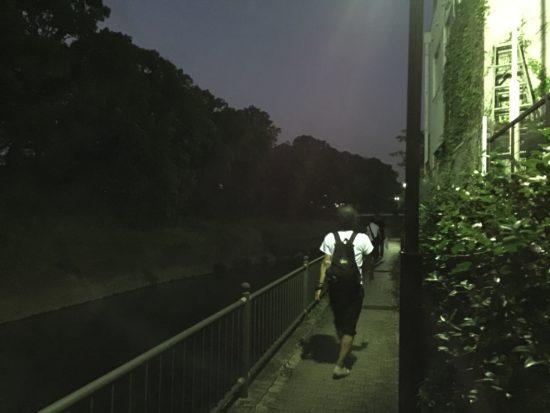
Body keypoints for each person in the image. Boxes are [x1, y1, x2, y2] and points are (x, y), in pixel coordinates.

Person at [315, 205, 373, 379]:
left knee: (339, 321)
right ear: (355, 220)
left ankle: (342, 343)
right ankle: (339, 365)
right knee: (350, 327)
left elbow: (326, 263)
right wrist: (367, 273)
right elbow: (369, 259)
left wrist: (319, 287)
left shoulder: (330, 237)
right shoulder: (362, 238)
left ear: (338, 220)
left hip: (335, 287)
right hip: (354, 288)